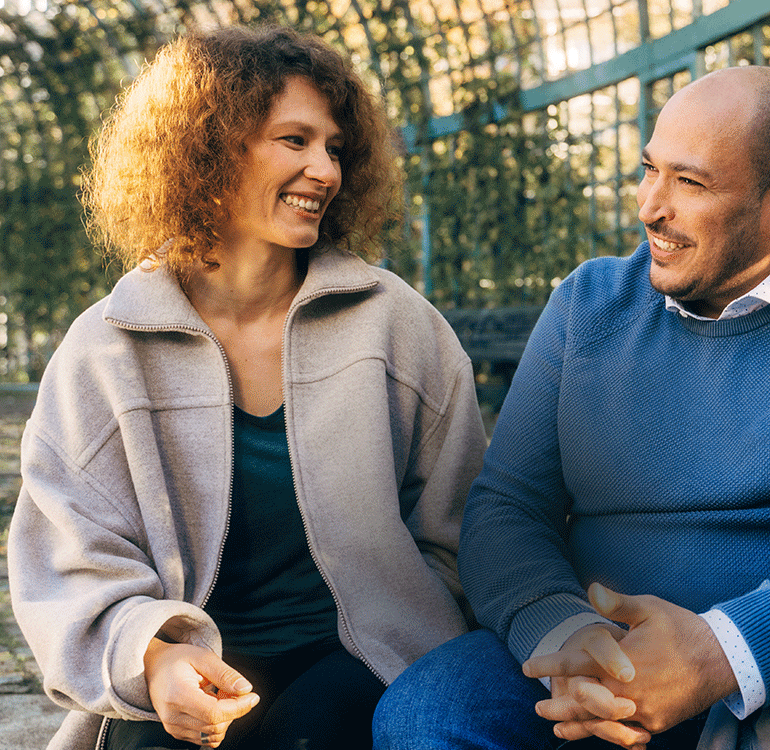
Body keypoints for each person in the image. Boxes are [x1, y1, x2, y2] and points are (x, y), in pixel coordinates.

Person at [372, 65, 770, 750]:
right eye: (649, 170)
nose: (649, 206)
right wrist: (572, 637)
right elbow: (506, 511)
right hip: (606, 663)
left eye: (689, 182)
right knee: (424, 714)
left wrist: (724, 649)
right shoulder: (586, 306)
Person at [9, 25, 486, 750]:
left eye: (333, 148)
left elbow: (461, 525)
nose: (323, 170)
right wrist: (156, 656)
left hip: (363, 659)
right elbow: (69, 559)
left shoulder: (397, 325)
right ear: (209, 146)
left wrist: (409, 619)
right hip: (184, 664)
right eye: (294, 140)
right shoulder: (104, 349)